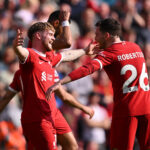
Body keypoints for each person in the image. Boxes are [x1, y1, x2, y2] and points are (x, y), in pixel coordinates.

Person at [46, 18, 150, 150]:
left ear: (106, 36)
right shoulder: (135, 47)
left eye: (97, 34)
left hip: (127, 110)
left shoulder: (108, 54)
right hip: (147, 107)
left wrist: (61, 81)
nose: (95, 38)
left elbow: (87, 69)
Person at [12, 21, 95, 150]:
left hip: (52, 113)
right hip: (37, 118)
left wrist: (85, 51)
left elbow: (68, 55)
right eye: (50, 34)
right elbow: (21, 52)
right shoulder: (31, 56)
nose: (53, 38)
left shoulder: (49, 59)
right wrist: (16, 47)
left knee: (72, 146)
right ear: (38, 36)